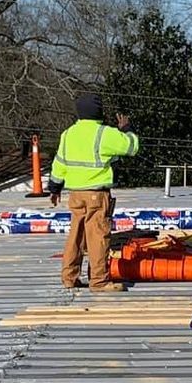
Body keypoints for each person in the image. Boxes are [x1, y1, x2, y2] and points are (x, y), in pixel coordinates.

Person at [49, 90, 139, 292]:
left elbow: (59, 164)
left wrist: (54, 188)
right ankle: (99, 281)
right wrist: (126, 129)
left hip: (75, 194)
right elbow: (131, 147)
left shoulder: (68, 134)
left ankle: (69, 277)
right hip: (96, 194)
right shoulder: (105, 133)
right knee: (98, 236)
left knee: (76, 236)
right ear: (99, 112)